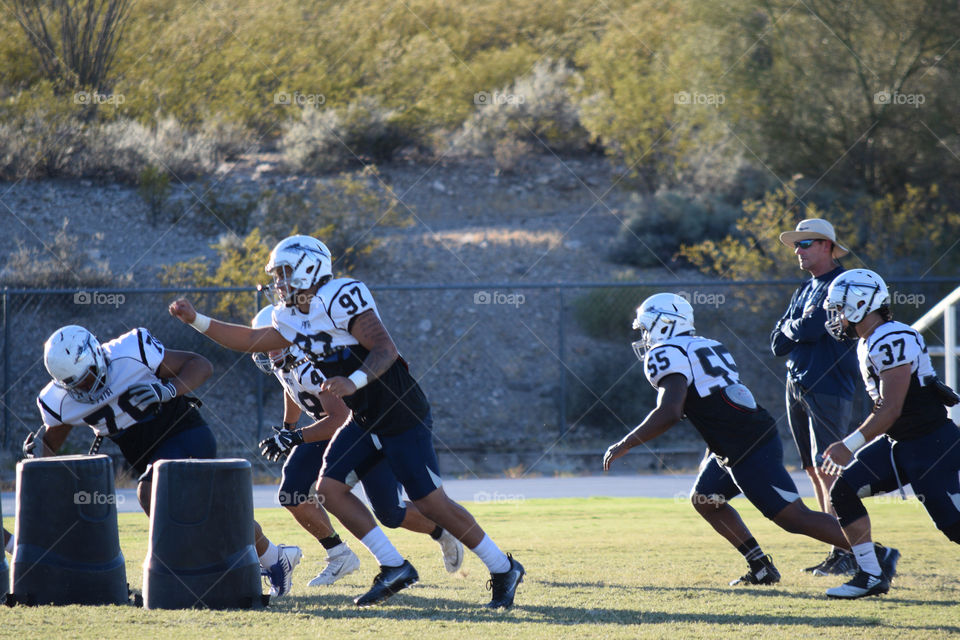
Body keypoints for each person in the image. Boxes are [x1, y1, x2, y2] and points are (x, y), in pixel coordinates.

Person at [168, 235, 523, 608]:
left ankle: (503, 568)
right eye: (277, 275)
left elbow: (385, 349)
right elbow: (250, 339)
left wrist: (351, 381)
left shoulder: (342, 294)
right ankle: (394, 566)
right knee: (329, 488)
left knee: (432, 504)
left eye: (285, 273)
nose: (279, 282)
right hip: (364, 416)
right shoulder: (289, 315)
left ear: (308, 268)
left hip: (400, 412)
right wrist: (197, 320)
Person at [603, 293, 898, 586]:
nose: (644, 335)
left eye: (645, 327)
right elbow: (717, 400)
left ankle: (876, 555)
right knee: (706, 499)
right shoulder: (707, 345)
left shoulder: (665, 352)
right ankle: (760, 566)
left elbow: (670, 411)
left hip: (745, 444)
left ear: (663, 324)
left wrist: (625, 443)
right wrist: (713, 447)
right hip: (740, 438)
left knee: (793, 517)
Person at [30, 324, 302, 598]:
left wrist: (168, 390)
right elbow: (50, 444)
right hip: (147, 456)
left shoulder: (131, 351)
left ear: (95, 355)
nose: (85, 388)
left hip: (185, 433)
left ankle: (194, 572)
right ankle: (274, 557)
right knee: (217, 514)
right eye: (74, 385)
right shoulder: (60, 401)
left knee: (151, 492)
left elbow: (201, 365)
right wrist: (35, 452)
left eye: (86, 378)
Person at [250, 306, 463, 585]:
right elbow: (291, 388)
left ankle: (441, 530)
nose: (269, 352)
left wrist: (297, 436)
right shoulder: (288, 361)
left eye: (273, 343)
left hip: (364, 429)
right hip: (329, 429)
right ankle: (339, 554)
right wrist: (288, 427)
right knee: (292, 492)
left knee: (390, 512)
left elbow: (339, 419)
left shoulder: (313, 363)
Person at [821, 269, 959, 599]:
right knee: (843, 491)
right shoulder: (871, 340)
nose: (837, 317)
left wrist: (850, 444)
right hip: (901, 443)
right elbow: (888, 409)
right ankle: (871, 574)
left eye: (840, 308)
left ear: (859, 304)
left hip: (931, 444)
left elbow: (892, 407)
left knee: (954, 527)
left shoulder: (892, 338)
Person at [771, 218, 860, 576]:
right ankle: (838, 547)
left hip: (828, 386)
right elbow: (778, 342)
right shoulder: (805, 289)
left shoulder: (843, 282)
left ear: (826, 245)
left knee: (830, 469)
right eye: (796, 245)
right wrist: (797, 327)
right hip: (797, 383)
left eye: (805, 244)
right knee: (812, 469)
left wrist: (796, 327)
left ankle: (853, 551)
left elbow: (808, 328)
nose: (797, 251)